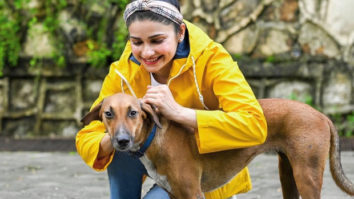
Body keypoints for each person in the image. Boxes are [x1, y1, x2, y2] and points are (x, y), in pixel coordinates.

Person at [76, 0, 267, 198]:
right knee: (117, 147)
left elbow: (254, 124)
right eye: (137, 42)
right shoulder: (123, 71)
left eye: (157, 41)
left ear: (180, 33)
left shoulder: (212, 59)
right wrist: (124, 124)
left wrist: (180, 113)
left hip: (197, 173)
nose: (147, 52)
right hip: (149, 159)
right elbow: (88, 137)